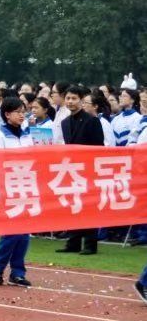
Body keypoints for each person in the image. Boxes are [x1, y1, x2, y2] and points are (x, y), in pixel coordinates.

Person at [0, 97, 34, 287]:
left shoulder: (26, 135)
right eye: (17, 111)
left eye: (23, 111)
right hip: (8, 188)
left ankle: (17, 272)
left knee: (24, 234)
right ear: (7, 115)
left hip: (26, 185)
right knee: (12, 232)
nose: (22, 114)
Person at [57, 85, 105, 255]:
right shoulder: (64, 122)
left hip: (89, 170)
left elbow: (99, 148)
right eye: (68, 98)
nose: (70, 102)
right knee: (73, 205)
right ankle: (73, 242)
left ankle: (90, 244)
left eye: (74, 98)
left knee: (89, 207)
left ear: (81, 100)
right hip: (72, 170)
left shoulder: (92, 121)